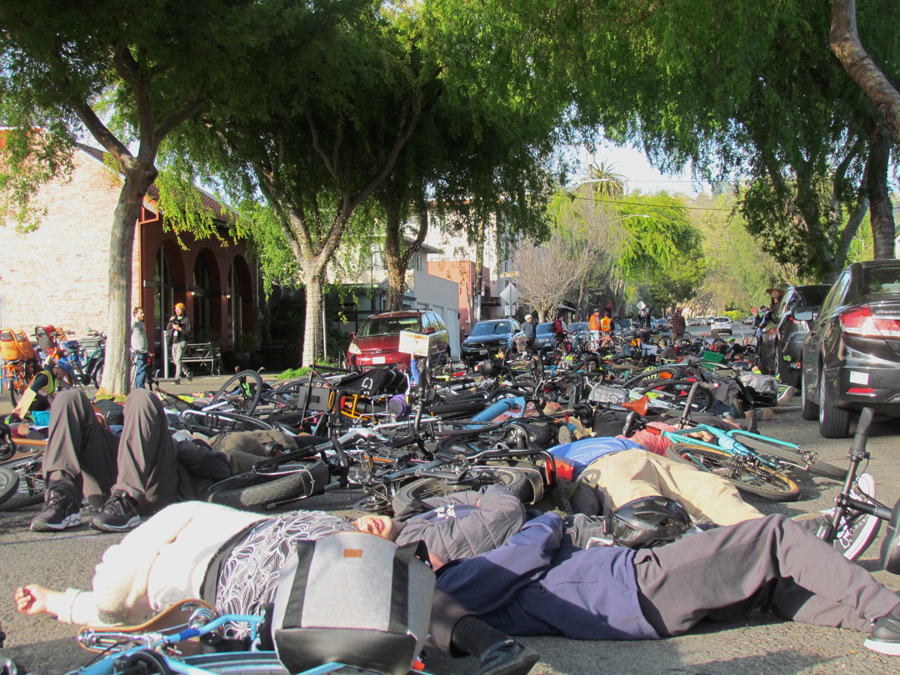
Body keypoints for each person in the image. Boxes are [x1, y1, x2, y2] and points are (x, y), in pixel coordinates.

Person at [15, 499, 540, 675]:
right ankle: (488, 642)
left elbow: (109, 605)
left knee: (316, 603)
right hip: (288, 540)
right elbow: (109, 612)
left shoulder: (149, 549)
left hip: (244, 561)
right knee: (377, 577)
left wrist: (68, 603)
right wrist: (59, 603)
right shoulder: (180, 530)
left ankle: (470, 645)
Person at [433, 511, 900, 656]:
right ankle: (886, 608)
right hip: (639, 585)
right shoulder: (453, 581)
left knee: (770, 588)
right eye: (422, 547)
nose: (432, 547)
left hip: (636, 601)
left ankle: (873, 624)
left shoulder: (456, 591)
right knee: (772, 535)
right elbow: (531, 544)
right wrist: (549, 521)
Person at [29, 388, 182, 533]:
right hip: (107, 487)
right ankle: (61, 500)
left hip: (148, 485)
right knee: (67, 398)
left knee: (141, 397)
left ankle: (127, 499)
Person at [166, 302, 193, 385]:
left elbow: (189, 332)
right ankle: (188, 373)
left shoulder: (186, 320)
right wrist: (171, 322)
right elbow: (168, 328)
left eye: (179, 309)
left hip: (182, 341)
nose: (177, 311)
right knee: (176, 361)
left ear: (183, 310)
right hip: (174, 341)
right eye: (176, 309)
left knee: (178, 360)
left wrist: (179, 329)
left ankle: (177, 379)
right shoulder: (174, 319)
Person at [130, 307, 149, 390]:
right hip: (138, 352)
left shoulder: (142, 324)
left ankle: (141, 386)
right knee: (140, 370)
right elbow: (129, 335)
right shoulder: (133, 323)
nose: (143, 315)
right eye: (141, 313)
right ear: (135, 314)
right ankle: (139, 388)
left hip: (144, 350)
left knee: (144, 370)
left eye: (143, 313)